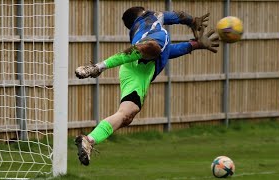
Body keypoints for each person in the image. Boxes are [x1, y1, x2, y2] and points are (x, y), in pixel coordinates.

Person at [74, 6, 219, 166]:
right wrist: (193, 21)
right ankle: (97, 67)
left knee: (127, 115)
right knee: (153, 47)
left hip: (136, 70)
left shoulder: (144, 28)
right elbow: (179, 15)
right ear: (142, 12)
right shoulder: (151, 17)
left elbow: (168, 51)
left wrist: (196, 44)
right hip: (142, 58)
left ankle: (89, 140)